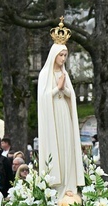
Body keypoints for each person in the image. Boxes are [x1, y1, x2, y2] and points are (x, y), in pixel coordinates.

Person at [37, 21, 84, 197]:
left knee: (67, 148)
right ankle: (57, 188)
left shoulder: (64, 74)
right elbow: (43, 98)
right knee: (55, 147)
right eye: (61, 55)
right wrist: (58, 88)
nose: (63, 59)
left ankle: (68, 186)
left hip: (64, 113)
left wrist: (63, 88)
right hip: (52, 116)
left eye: (65, 55)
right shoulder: (44, 74)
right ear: (54, 56)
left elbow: (71, 95)